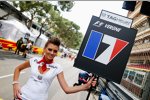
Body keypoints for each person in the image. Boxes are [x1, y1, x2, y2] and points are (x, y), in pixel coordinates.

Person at [13, 37, 94, 100]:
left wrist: (84, 87)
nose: (52, 53)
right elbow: (18, 69)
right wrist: (15, 84)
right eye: (50, 49)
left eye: (55, 51)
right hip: (21, 97)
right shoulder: (34, 60)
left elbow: (67, 89)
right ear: (45, 49)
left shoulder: (58, 68)